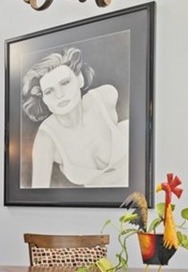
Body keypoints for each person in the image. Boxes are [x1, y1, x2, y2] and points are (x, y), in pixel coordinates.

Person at [22, 46, 129, 188]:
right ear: (43, 99)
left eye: (65, 83)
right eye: (49, 91)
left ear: (80, 79)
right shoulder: (46, 138)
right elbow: (37, 193)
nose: (59, 95)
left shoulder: (106, 96)